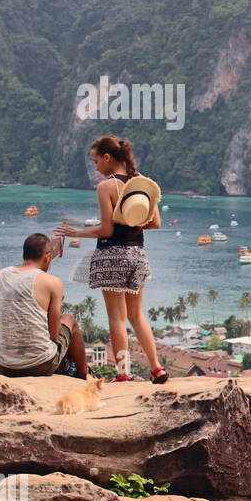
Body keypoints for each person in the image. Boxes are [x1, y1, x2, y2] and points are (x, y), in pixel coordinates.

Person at [55, 135, 168, 383]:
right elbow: (156, 223)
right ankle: (157, 368)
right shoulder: (143, 184)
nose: (95, 167)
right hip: (138, 254)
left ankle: (123, 373)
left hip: (112, 256)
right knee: (137, 315)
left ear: (107, 158)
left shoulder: (106, 187)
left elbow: (105, 231)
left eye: (96, 161)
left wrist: (76, 233)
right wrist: (130, 222)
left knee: (117, 317)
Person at [0, 233, 88, 378]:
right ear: (47, 257)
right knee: (69, 319)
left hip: (3, 366)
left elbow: (23, 273)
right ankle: (83, 375)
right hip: (41, 365)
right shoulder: (53, 282)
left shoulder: (1, 275)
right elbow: (53, 334)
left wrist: (49, 254)